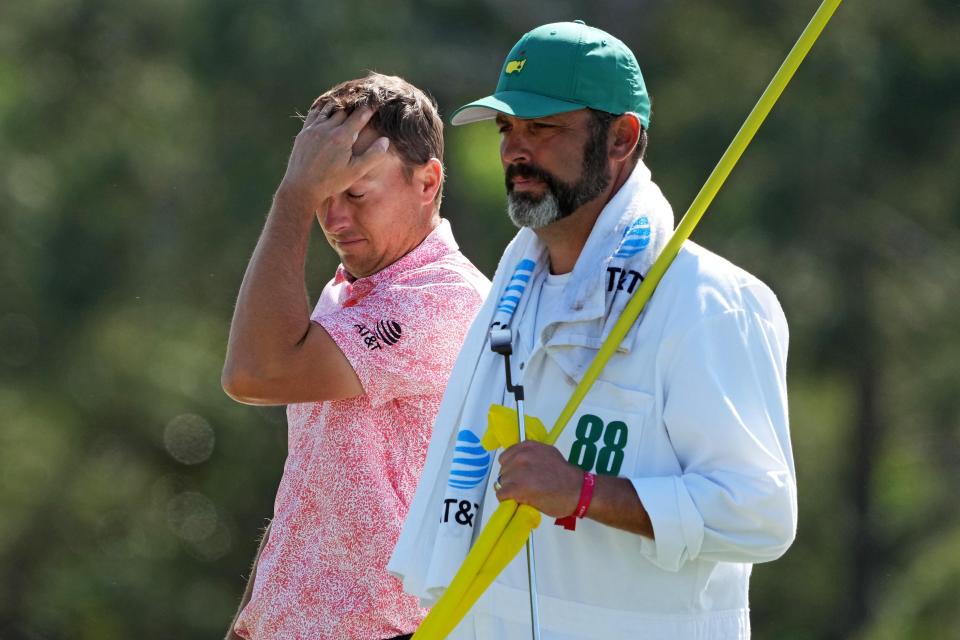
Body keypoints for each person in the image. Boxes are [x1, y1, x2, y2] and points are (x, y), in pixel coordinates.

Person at [389, 21, 796, 639]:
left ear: (621, 138)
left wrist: (585, 492)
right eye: (507, 128)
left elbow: (760, 514)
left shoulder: (711, 301)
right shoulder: (511, 289)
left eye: (543, 128)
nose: (514, 151)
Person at [221, 72, 489, 640]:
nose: (335, 220)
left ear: (428, 181)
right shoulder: (347, 289)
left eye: (358, 193)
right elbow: (310, 484)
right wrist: (252, 618)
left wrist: (295, 194)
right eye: (324, 195)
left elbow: (253, 373)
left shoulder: (443, 299)